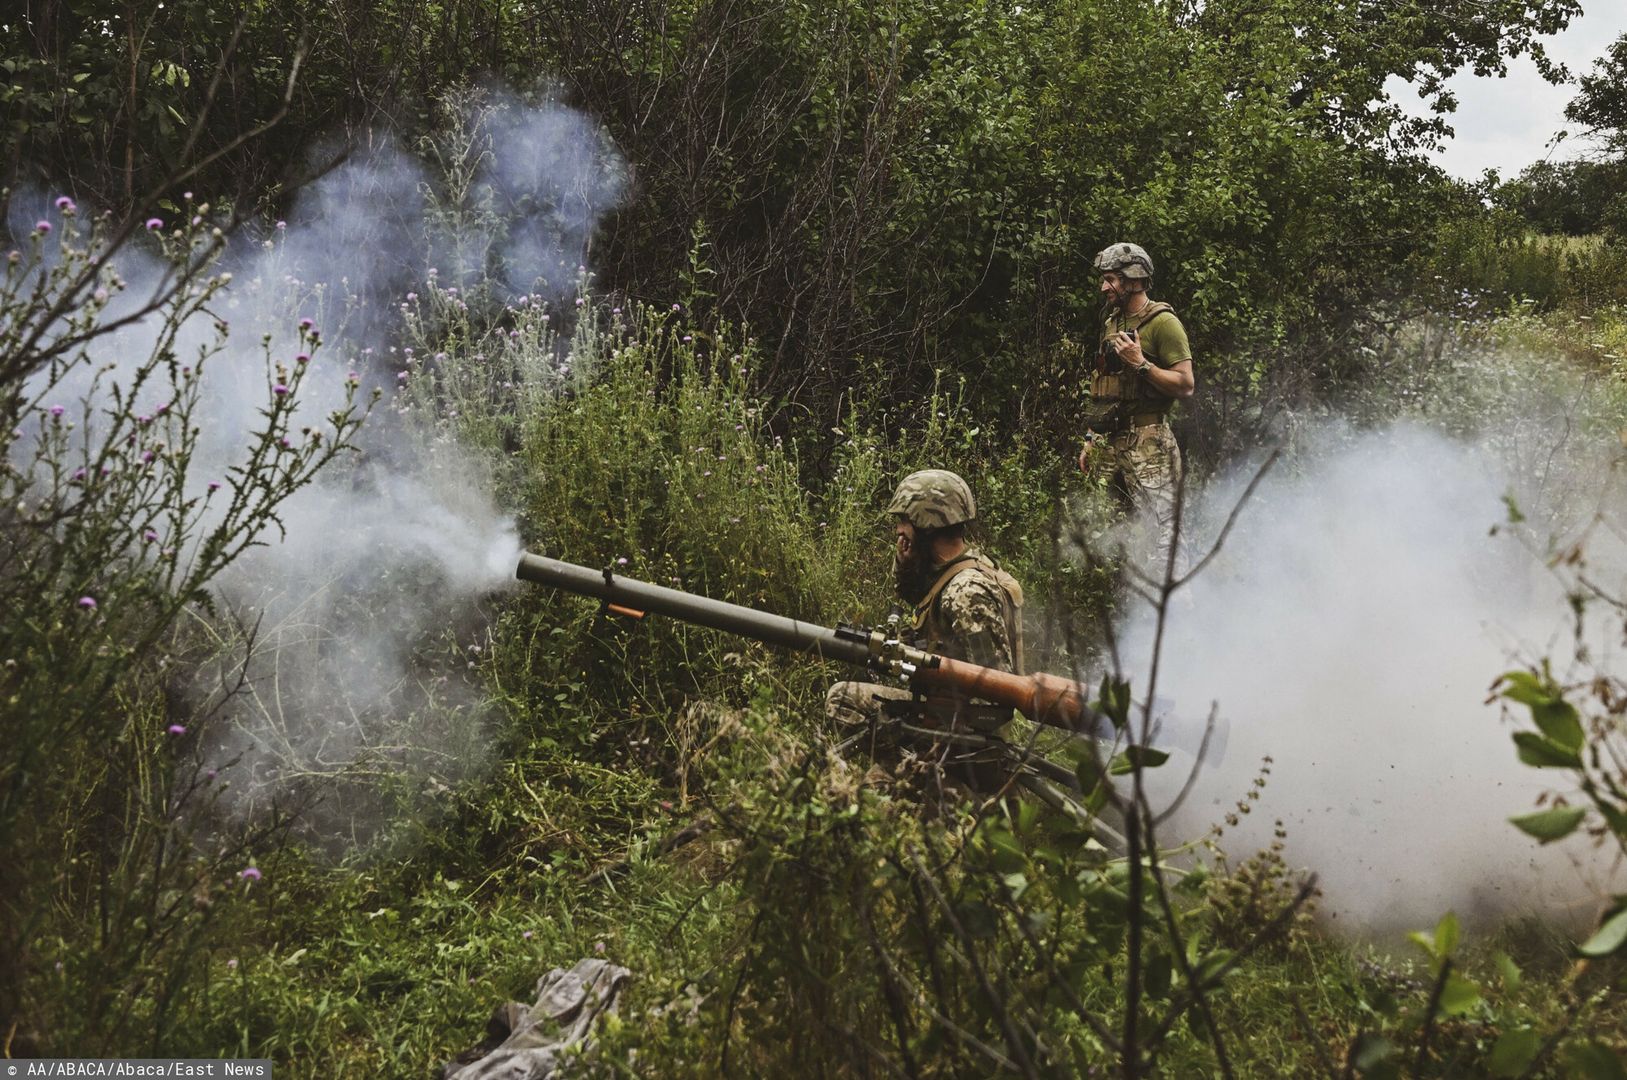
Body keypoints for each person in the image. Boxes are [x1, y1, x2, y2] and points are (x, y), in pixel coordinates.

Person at [825, 469, 1024, 793]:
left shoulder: (967, 592)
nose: (898, 531)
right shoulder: (953, 569)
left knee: (842, 702)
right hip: (942, 717)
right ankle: (914, 779)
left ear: (927, 524)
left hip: (964, 738)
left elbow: (993, 692)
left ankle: (946, 790)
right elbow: (920, 597)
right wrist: (905, 561)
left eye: (905, 521)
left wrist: (926, 714)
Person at [1077, 242, 1195, 572]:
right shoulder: (1112, 322)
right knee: (1119, 531)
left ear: (1133, 279)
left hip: (1149, 443)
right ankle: (1130, 610)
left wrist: (1141, 364)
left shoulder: (1163, 323)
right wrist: (1091, 437)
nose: (1104, 287)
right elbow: (1105, 385)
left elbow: (1186, 384)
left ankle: (1178, 614)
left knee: (1165, 536)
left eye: (1110, 279)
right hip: (1111, 443)